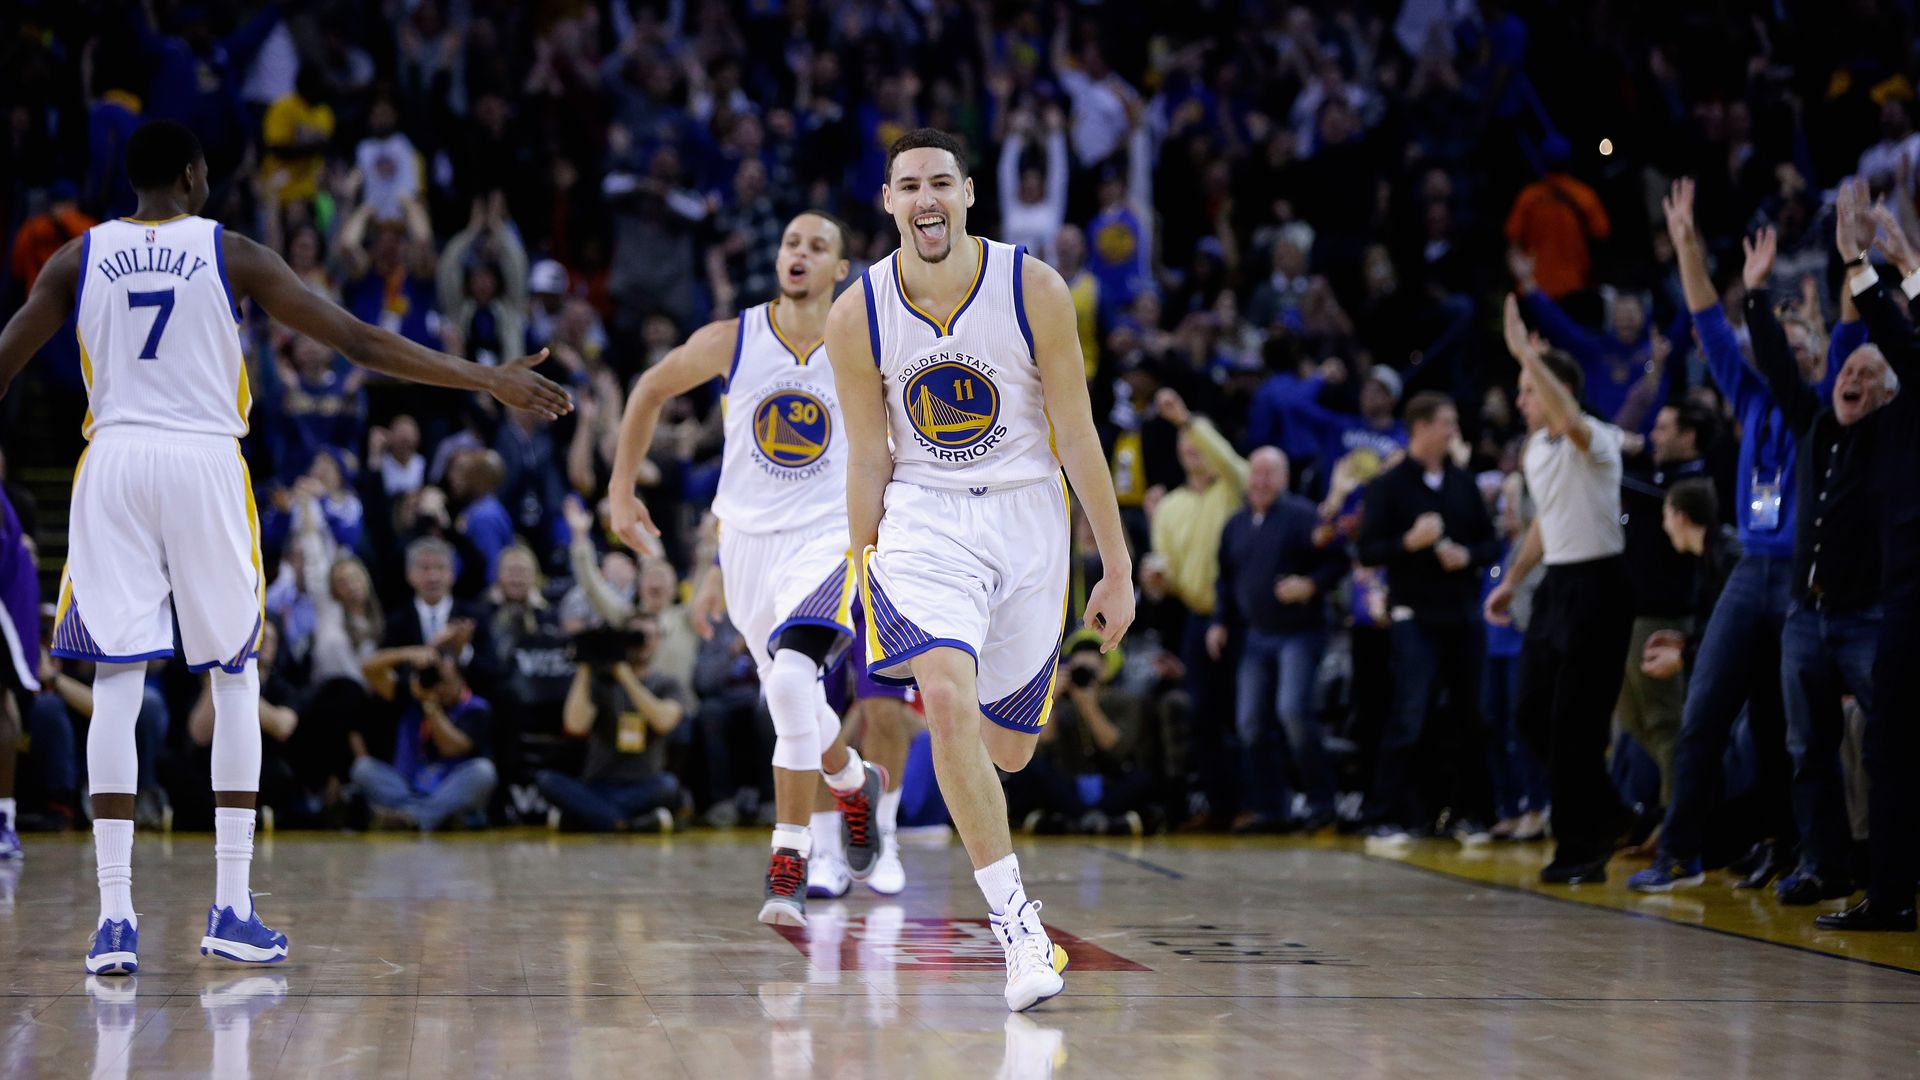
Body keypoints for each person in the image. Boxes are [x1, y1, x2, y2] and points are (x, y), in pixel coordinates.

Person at [0, 120, 569, 975]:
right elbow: (359, 341)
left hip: (112, 461)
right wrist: (485, 377)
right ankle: (231, 905)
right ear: (194, 176)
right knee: (234, 676)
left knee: (117, 681)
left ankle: (114, 919)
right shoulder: (230, 251)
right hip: (200, 460)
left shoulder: (77, 259)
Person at [824, 128, 1136, 1013]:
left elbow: (1077, 436)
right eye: (907, 185)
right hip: (925, 520)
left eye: (940, 183)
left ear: (968, 195)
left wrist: (1115, 568)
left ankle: (949, 770)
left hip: (1031, 516)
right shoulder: (860, 312)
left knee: (1010, 747)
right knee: (947, 696)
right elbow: (866, 458)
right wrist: (860, 563)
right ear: (887, 202)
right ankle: (1017, 929)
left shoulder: (1034, 287)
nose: (925, 198)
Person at [607, 210, 886, 927]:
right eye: (792, 243)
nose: (799, 254)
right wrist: (620, 488)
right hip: (746, 550)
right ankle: (856, 784)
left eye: (817, 246)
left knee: (793, 681)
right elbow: (648, 390)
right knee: (793, 701)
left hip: (827, 542)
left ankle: (788, 856)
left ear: (840, 270)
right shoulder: (737, 337)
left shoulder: (864, 344)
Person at [1626, 179, 1845, 895]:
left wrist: (1852, 265)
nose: (1791, 337)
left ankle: (1806, 856)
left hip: (1807, 578)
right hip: (1752, 569)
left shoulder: (1833, 407)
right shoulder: (1749, 396)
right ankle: (1681, 855)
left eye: (1802, 330)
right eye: (1782, 327)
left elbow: (1849, 335)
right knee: (1703, 714)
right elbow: (1704, 320)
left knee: (1797, 731)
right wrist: (1688, 241)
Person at [1728, 223, 1894, 907]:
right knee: (1808, 752)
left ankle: (1891, 874)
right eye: (1844, 372)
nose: (1847, 379)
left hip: (1866, 617)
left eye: (1861, 374)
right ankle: (1824, 866)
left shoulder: (1896, 434)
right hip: (1806, 616)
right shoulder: (1815, 422)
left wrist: (1872, 269)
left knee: (1888, 750)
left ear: (1887, 392)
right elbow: (1774, 360)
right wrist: (1756, 292)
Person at [1485, 295, 1634, 885]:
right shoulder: (1532, 451)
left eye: (1528, 390)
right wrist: (1511, 581)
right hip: (1556, 587)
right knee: (1529, 716)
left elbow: (1568, 418)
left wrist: (1526, 351)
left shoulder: (1592, 435)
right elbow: (1544, 522)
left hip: (1599, 586)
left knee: (1575, 725)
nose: (1521, 401)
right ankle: (1614, 814)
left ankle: (1582, 848)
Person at [1814, 184, 1920, 931]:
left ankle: (1889, 896)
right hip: (1902, 585)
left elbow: (1898, 335)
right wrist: (1905, 266)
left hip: (1915, 588)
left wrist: (1861, 260)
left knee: (1892, 740)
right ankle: (1888, 893)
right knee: (1889, 742)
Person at [1358, 393, 1504, 842]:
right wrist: (1409, 543)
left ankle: (1469, 814)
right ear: (1420, 427)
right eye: (1446, 422)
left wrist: (1468, 556)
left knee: (1471, 717)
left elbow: (1491, 545)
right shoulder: (1389, 485)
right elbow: (1367, 550)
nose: (1453, 430)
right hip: (1414, 615)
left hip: (1462, 616)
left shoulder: (1463, 483)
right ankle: (1383, 815)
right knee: (1409, 714)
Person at [1206, 447, 1346, 832]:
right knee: (1249, 723)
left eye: (1270, 474)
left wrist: (1311, 585)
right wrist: (1220, 621)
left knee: (1293, 713)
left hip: (1299, 633)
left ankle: (1322, 803)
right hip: (1255, 635)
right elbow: (1225, 579)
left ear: (1284, 478)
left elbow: (1339, 559)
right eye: (1256, 473)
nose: (1261, 481)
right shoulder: (1235, 524)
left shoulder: (1304, 516)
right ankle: (1272, 808)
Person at [1613, 402, 1711, 824]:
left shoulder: (1697, 483)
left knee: (1665, 722)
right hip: (1630, 614)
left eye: (1665, 428)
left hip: (1665, 618)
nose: (1654, 435)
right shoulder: (1654, 479)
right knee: (1633, 719)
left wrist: (1604, 464)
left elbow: (1653, 497)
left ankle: (1679, 825)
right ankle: (1667, 812)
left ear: (1689, 437)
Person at [537, 614, 687, 832]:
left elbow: (663, 722)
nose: (643, 643)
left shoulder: (668, 684)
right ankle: (628, 824)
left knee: (669, 786)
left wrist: (624, 674)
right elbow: (575, 725)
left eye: (649, 636)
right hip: (597, 785)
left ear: (659, 641)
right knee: (546, 780)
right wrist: (585, 664)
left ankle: (586, 819)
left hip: (644, 785)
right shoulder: (600, 682)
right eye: (636, 636)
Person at [349, 653, 499, 831]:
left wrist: (430, 704)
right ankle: (435, 818)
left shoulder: (476, 708)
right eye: (435, 680)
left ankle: (412, 819)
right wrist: (411, 653)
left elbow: (449, 748)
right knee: (363, 768)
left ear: (461, 680)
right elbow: (368, 669)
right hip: (408, 786)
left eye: (445, 681)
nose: (439, 687)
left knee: (483, 772)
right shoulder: (413, 693)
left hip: (448, 788)